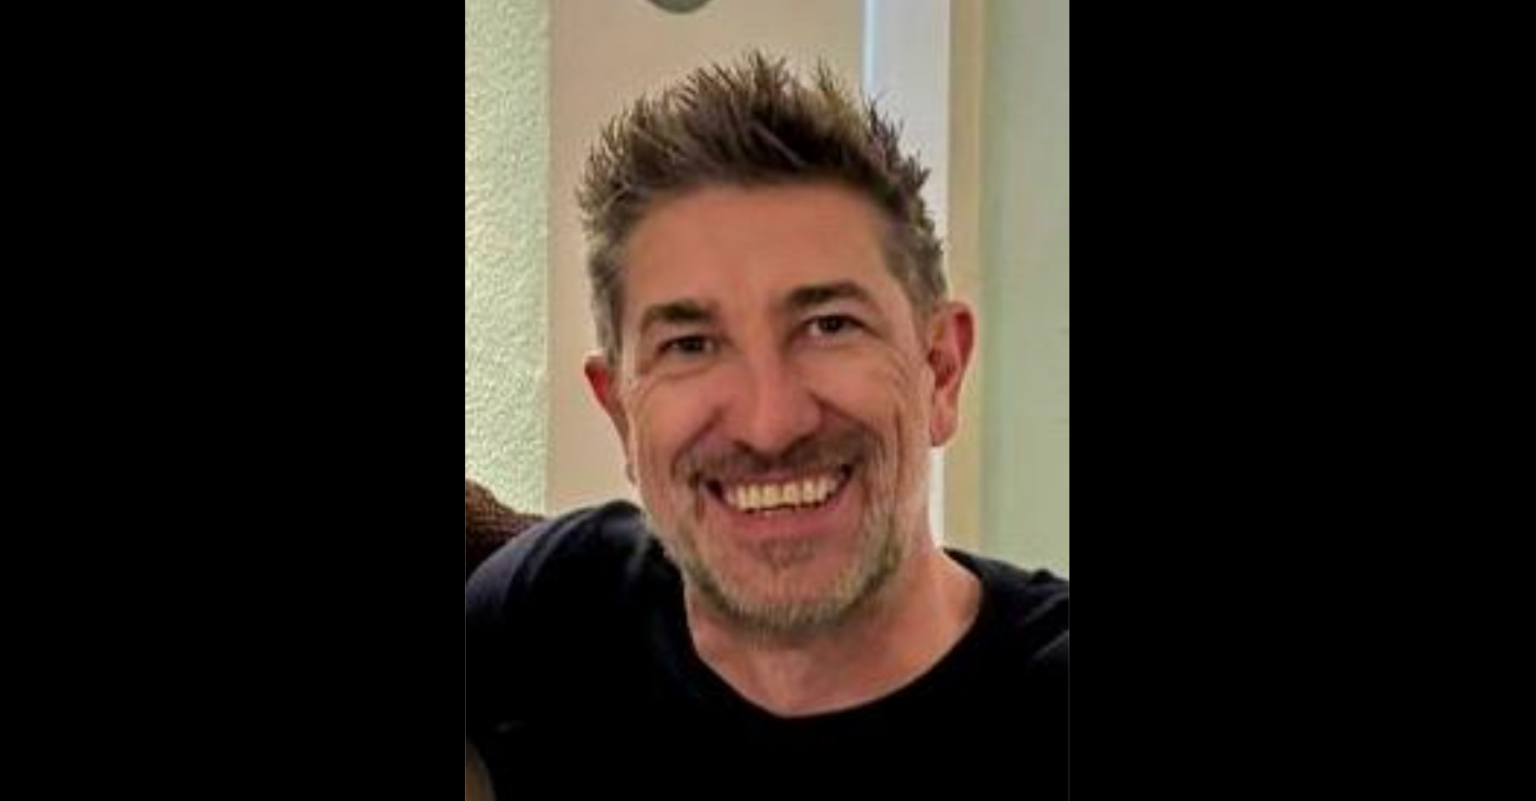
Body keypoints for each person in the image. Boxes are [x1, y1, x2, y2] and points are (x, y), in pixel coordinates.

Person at [466, 52, 1068, 793]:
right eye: (691, 345)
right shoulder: (557, 612)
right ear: (620, 410)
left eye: (829, 325)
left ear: (940, 369)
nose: (770, 423)